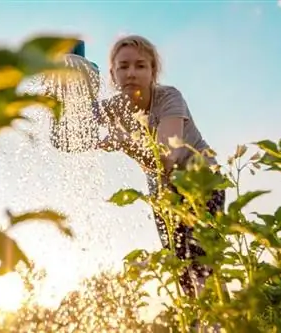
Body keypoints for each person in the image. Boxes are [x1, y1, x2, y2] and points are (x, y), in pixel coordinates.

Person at [94, 35, 226, 300]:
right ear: (113, 73)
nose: (131, 73)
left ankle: (217, 323)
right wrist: (66, 86)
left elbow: (168, 158)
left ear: (153, 71)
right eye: (123, 66)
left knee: (201, 263)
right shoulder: (115, 108)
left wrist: (125, 144)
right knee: (180, 266)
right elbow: (74, 128)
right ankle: (205, 323)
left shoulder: (168, 98)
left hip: (201, 182)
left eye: (141, 66)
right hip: (164, 193)